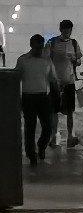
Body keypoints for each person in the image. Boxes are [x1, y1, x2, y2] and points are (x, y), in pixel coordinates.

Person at [17, 34, 56, 165]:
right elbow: (16, 79)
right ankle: (31, 154)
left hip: (43, 96)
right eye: (37, 47)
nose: (39, 50)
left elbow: (52, 78)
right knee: (30, 127)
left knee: (48, 126)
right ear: (31, 45)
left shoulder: (47, 60)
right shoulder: (23, 60)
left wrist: (56, 92)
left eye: (41, 47)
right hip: (28, 97)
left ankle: (41, 145)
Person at [48, 19, 83, 147]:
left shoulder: (74, 43)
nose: (68, 32)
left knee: (69, 111)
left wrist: (75, 60)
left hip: (69, 81)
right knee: (54, 111)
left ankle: (70, 136)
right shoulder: (52, 43)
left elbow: (78, 60)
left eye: (69, 30)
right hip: (54, 81)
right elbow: (47, 60)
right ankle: (54, 135)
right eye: (66, 30)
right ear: (61, 29)